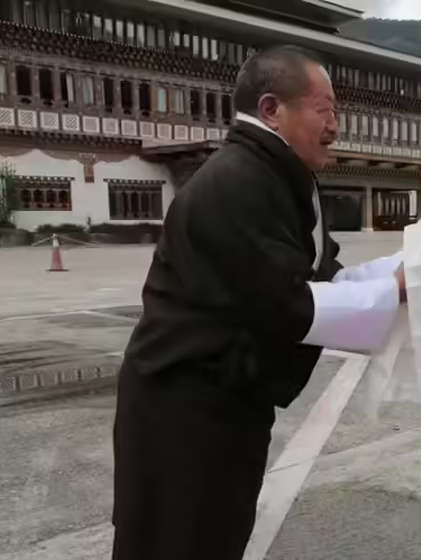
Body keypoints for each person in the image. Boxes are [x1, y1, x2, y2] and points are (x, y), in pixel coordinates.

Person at [111, 45, 404, 560]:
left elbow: (321, 276)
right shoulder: (235, 182)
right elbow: (284, 304)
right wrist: (394, 290)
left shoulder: (278, 176)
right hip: (184, 412)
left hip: (225, 406)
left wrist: (405, 270)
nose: (334, 126)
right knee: (179, 543)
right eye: (324, 109)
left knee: (214, 538)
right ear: (271, 109)